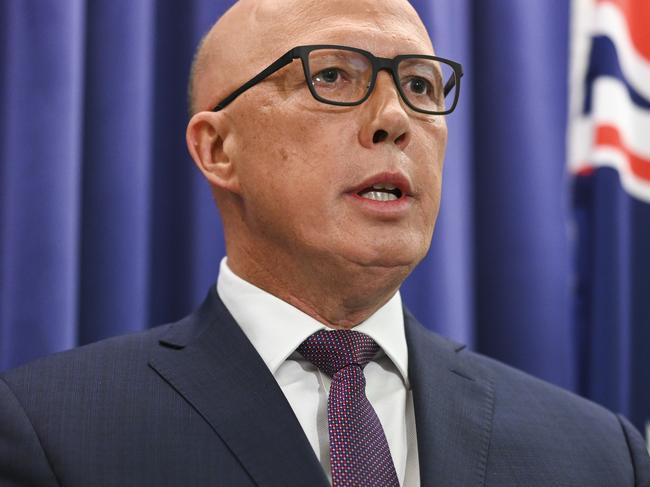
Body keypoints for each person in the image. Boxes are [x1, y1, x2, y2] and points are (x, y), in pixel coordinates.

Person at [1, 0, 648, 485]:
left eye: (421, 85)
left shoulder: (599, 454)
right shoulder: (54, 428)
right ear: (217, 148)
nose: (396, 117)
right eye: (334, 76)